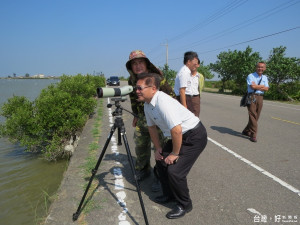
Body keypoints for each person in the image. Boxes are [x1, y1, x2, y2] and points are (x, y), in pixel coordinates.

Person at [136, 72, 207, 219]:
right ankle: (168, 195)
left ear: (153, 88)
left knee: (175, 171)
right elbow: (152, 128)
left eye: (139, 88)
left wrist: (175, 153)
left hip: (194, 136)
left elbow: (176, 130)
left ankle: (185, 204)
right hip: (178, 136)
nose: (136, 91)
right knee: (161, 160)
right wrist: (158, 149)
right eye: (136, 88)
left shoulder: (163, 102)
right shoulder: (147, 104)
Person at [126, 50, 173, 191]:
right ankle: (143, 169)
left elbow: (171, 96)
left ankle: (160, 175)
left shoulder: (157, 78)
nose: (138, 66)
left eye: (140, 62)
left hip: (158, 119)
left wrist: (171, 119)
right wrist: (135, 115)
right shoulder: (131, 81)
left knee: (159, 148)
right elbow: (133, 99)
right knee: (140, 145)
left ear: (146, 63)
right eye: (134, 63)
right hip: (143, 118)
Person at [242, 62, 269, 142]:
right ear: (256, 67)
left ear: (264, 68)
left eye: (262, 67)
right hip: (252, 96)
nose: (260, 68)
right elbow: (252, 86)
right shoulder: (251, 76)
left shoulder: (265, 77)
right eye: (258, 67)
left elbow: (267, 88)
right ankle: (253, 134)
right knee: (252, 114)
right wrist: (262, 86)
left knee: (256, 116)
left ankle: (246, 130)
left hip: (260, 97)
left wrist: (258, 86)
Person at [174, 51, 201, 117]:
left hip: (188, 98)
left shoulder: (186, 71)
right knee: (189, 120)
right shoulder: (185, 72)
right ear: (189, 62)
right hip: (185, 98)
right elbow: (182, 91)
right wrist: (184, 107)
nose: (196, 64)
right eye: (194, 62)